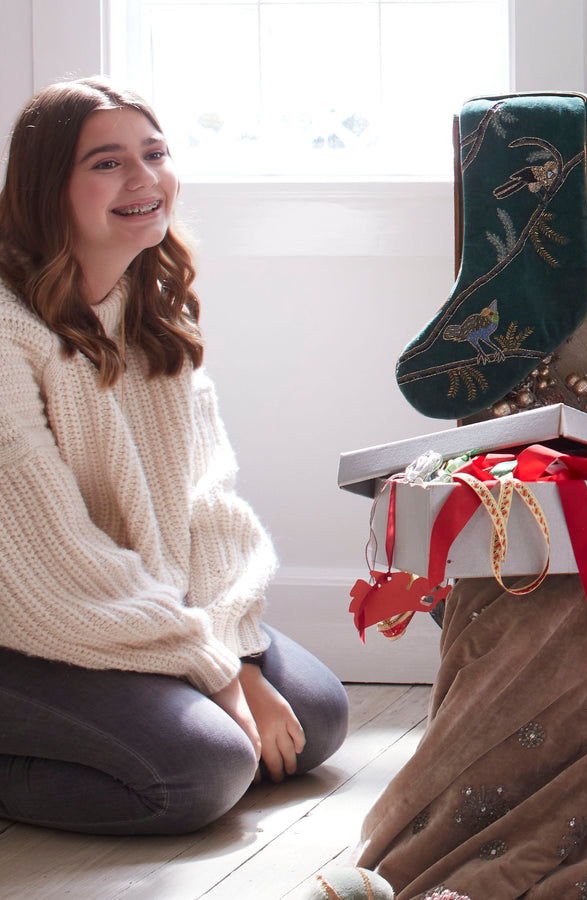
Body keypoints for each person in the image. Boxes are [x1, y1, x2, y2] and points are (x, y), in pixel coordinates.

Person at [0, 76, 349, 835]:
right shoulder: (7, 332)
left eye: (154, 152)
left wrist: (232, 646)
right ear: (44, 188)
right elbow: (48, 555)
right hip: (23, 622)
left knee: (317, 719)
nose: (144, 178)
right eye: (106, 162)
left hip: (125, 605)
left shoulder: (151, 305)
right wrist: (218, 674)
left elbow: (207, 500)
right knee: (203, 771)